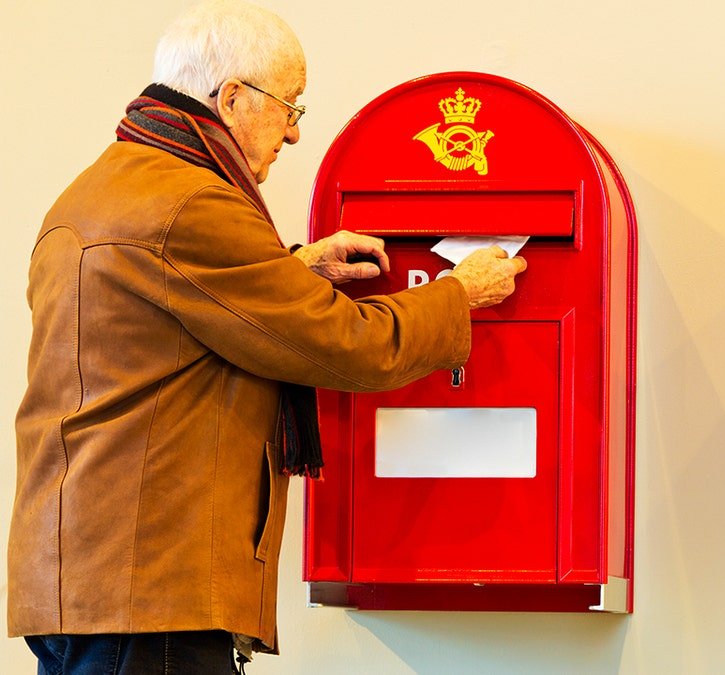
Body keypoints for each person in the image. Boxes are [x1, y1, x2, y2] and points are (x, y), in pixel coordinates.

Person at [7, 1, 527, 672]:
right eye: (291, 106)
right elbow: (341, 342)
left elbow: (170, 318)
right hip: (151, 587)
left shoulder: (100, 189)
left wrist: (293, 267)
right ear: (231, 98)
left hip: (88, 578)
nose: (292, 134)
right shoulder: (193, 202)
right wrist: (458, 294)